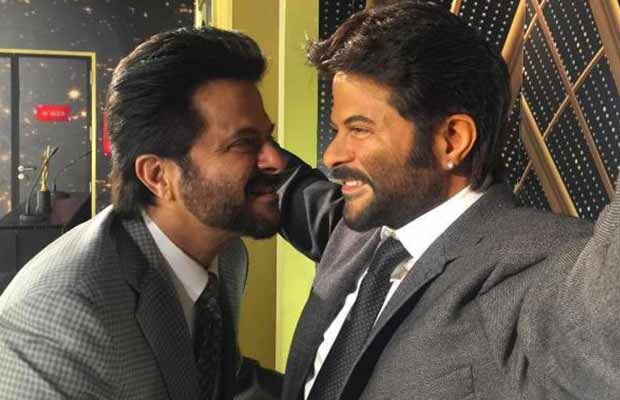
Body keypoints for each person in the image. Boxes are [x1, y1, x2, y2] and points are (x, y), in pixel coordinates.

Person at [277, 2, 620, 399]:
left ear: (452, 140)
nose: (332, 155)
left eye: (359, 130)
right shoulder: (365, 229)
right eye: (337, 129)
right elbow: (302, 201)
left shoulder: (538, 265)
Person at [0, 27, 283, 400]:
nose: (276, 160)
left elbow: (214, 376)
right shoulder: (62, 313)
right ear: (157, 176)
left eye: (268, 137)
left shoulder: (227, 253)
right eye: (244, 144)